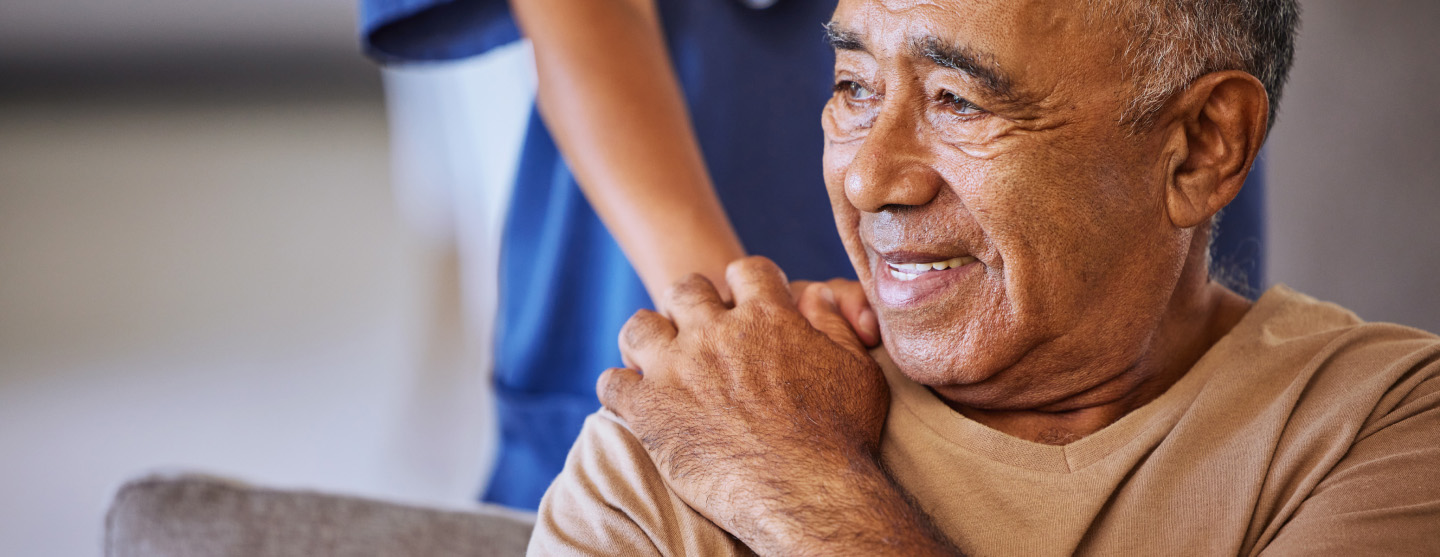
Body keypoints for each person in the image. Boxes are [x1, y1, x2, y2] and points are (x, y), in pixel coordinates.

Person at [529, 0, 1440, 554]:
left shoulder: (1383, 426)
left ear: (1202, 147)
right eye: (853, 86)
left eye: (958, 100)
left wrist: (799, 486)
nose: (868, 178)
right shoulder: (688, 438)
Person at [360, 0, 1266, 510]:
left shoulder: (1361, 429)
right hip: (691, 188)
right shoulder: (624, 479)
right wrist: (730, 328)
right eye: (852, 88)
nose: (877, 180)